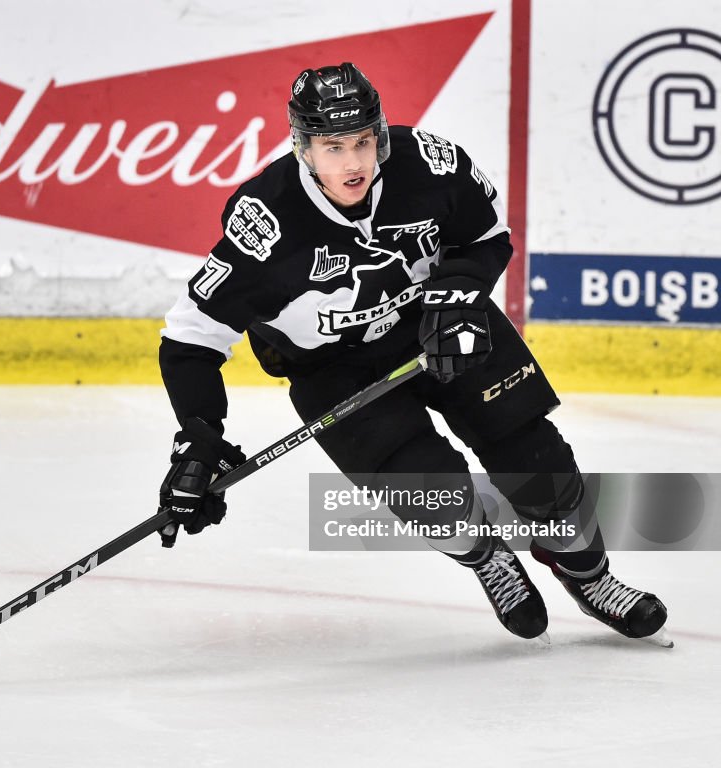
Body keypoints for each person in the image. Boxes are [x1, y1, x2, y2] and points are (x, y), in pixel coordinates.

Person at [156, 63, 669, 644]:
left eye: (363, 142)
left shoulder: (429, 165)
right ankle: (485, 556)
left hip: (441, 321)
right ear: (302, 147)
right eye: (332, 147)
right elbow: (190, 338)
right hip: (334, 370)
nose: (353, 163)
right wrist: (200, 435)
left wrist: (458, 293)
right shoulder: (267, 225)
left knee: (539, 461)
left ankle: (588, 573)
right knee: (432, 495)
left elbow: (487, 236)